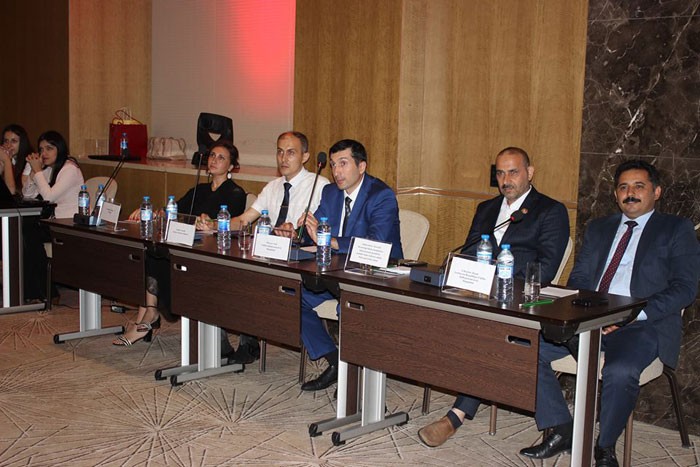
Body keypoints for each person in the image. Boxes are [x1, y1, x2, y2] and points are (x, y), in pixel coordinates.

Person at [517, 160, 699, 467]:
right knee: (525, 346)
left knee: (620, 371)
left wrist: (632, 315)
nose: (630, 193)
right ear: (616, 195)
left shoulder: (675, 229)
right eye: (623, 187)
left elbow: (685, 288)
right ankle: (562, 429)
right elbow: (579, 279)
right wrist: (583, 315)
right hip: (591, 319)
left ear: (656, 192)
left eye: (639, 186)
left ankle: (604, 446)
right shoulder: (599, 228)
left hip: (642, 323)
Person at [418, 146, 570, 446]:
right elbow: (470, 252)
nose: (506, 180)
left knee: (487, 339)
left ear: (530, 172)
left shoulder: (550, 211)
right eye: (500, 173)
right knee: (436, 320)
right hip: (479, 296)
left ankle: (455, 416)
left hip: (520, 302)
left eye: (513, 172)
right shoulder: (487, 209)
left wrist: (499, 279)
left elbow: (546, 268)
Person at [115, 140, 246, 346]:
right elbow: (175, 211)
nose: (214, 160)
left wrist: (209, 223)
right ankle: (147, 315)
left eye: (221, 158)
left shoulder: (235, 193)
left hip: (209, 250)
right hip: (187, 243)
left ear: (231, 166)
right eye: (212, 155)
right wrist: (154, 212)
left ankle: (147, 317)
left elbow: (229, 225)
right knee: (150, 252)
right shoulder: (199, 189)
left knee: (159, 256)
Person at [298, 138, 403, 391]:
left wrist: (330, 240)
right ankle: (334, 360)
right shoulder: (330, 192)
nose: (336, 171)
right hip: (335, 272)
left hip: (375, 274)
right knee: (290, 296)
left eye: (343, 163)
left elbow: (375, 242)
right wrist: (301, 231)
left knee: (350, 307)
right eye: (333, 164)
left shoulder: (381, 196)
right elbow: (317, 232)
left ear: (361, 166)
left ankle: (355, 381)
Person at [223, 131, 330, 364]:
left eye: (291, 152)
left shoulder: (321, 186)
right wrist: (214, 223)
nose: (283, 158)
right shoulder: (272, 187)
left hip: (302, 262)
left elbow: (323, 230)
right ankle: (241, 342)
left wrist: (299, 234)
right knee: (230, 276)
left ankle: (250, 342)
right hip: (271, 257)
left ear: (305, 156)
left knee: (263, 285)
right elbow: (245, 219)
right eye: (280, 152)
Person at [22, 131, 85, 302]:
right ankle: (34, 290)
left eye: (49, 148)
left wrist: (37, 171)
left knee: (28, 233)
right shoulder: (50, 169)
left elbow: (49, 197)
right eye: (41, 149)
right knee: (23, 231)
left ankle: (44, 291)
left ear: (60, 149)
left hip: (69, 224)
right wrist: (32, 172)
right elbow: (28, 194)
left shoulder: (70, 169)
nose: (44, 153)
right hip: (54, 222)